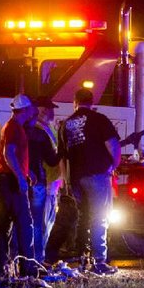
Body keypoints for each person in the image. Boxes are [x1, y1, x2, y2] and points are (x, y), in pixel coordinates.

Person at [58, 88, 121, 275]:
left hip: (76, 178)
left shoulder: (65, 124)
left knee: (83, 218)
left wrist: (66, 180)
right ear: (92, 102)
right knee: (99, 218)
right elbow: (113, 146)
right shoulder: (99, 119)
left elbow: (62, 157)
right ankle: (99, 261)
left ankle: (82, 257)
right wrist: (112, 166)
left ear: (75, 102)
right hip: (97, 175)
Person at [0, 94, 41, 278]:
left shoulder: (11, 126)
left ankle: (1, 271)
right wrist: (20, 177)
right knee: (25, 226)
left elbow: (13, 156)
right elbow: (9, 153)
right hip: (9, 183)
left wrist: (27, 172)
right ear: (25, 110)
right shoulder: (15, 128)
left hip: (1, 181)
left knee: (3, 229)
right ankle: (28, 271)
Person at [25, 96, 61, 264]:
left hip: (50, 183)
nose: (51, 112)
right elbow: (52, 158)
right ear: (40, 110)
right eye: (48, 108)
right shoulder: (39, 130)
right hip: (44, 184)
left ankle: (37, 259)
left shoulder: (47, 128)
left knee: (45, 222)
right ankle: (36, 260)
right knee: (42, 223)